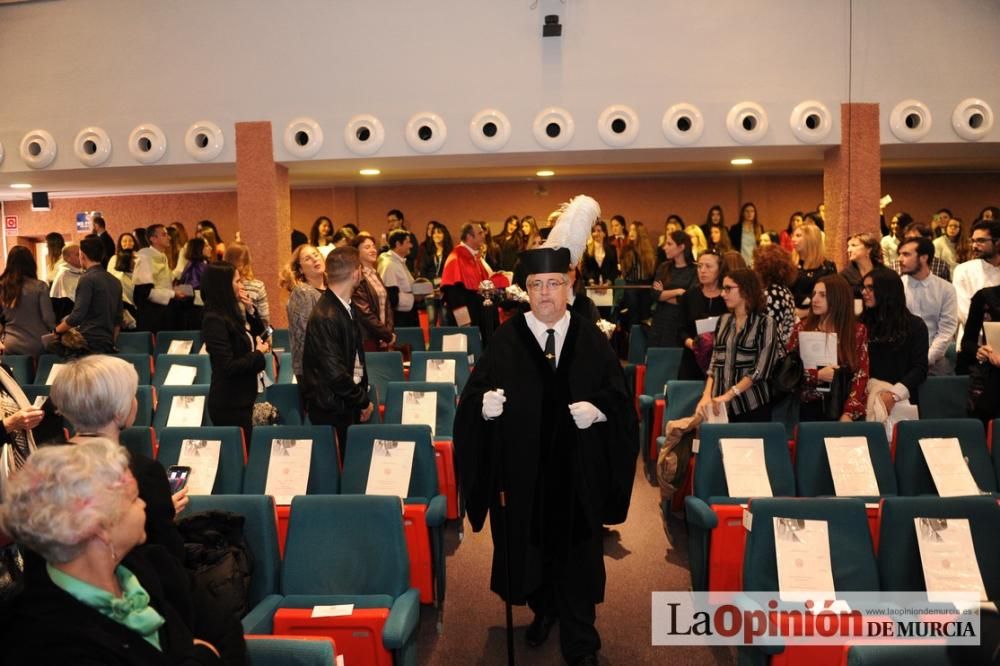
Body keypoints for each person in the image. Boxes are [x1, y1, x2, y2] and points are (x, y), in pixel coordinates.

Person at [454, 206, 637, 666]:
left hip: (577, 474)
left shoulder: (590, 337)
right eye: (536, 285)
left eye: (554, 283)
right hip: (525, 475)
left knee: (577, 557)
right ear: (525, 291)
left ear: (569, 286)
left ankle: (581, 639)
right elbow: (473, 404)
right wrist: (484, 409)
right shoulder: (507, 339)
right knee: (530, 552)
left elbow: (618, 400)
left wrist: (599, 412)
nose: (545, 293)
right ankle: (543, 610)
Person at [0, 439, 226, 665]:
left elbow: (226, 633)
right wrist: (202, 656)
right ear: (101, 527)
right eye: (134, 498)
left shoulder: (148, 566)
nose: (143, 505)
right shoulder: (45, 638)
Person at [49, 355, 185, 558]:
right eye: (131, 395)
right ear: (120, 412)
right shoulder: (142, 471)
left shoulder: (46, 464)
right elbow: (171, 554)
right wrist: (163, 514)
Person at [301, 246, 374, 453]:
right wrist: (362, 401)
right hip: (332, 410)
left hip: (345, 403)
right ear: (356, 273)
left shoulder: (344, 306)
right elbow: (335, 373)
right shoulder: (325, 314)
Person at [695, 269, 779, 422]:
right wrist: (706, 395)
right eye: (723, 288)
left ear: (746, 290)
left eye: (728, 288)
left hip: (751, 405)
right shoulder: (723, 321)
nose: (723, 294)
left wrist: (730, 394)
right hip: (719, 405)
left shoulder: (765, 323)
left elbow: (761, 370)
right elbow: (714, 363)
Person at [787, 275, 870, 422]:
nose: (815, 299)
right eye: (814, 294)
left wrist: (849, 412)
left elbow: (861, 374)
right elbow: (787, 372)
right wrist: (816, 375)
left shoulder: (856, 331)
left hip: (843, 405)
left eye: (822, 295)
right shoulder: (801, 328)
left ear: (838, 298)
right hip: (808, 407)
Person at [201, 262, 269, 437]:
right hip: (229, 403)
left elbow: (262, 335)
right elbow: (228, 366)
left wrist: (250, 311)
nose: (242, 285)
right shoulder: (214, 320)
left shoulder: (231, 314)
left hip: (242, 400)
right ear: (224, 286)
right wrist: (258, 354)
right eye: (237, 281)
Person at [859, 267, 928, 424]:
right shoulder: (860, 324)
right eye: (864, 287)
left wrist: (893, 395)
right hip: (865, 399)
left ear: (886, 291)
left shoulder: (915, 325)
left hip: (903, 401)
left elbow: (920, 368)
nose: (864, 292)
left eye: (871, 288)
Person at [54, 235, 123, 354]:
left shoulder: (87, 279)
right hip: (107, 342)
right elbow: (118, 319)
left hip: (89, 341)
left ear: (82, 256)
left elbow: (77, 315)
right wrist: (111, 342)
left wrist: (56, 331)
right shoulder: (115, 281)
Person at [899, 237, 958, 376]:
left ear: (924, 257)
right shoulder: (897, 286)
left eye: (906, 254)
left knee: (946, 380)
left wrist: (926, 359)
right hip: (902, 357)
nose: (900, 259)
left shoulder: (946, 289)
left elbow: (946, 330)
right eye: (900, 254)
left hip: (935, 358)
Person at [281, 244, 327, 385]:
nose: (314, 259)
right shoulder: (302, 292)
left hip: (331, 365)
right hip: (314, 370)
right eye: (308, 258)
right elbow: (306, 334)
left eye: (315, 254)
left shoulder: (332, 288)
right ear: (300, 269)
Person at [679, 250, 728, 379]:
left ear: (720, 270)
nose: (702, 270)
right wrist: (691, 343)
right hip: (692, 358)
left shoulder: (727, 297)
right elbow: (680, 328)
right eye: (700, 266)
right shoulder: (689, 296)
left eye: (708, 266)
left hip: (721, 359)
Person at [0, 245, 56, 358]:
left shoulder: (2, 286)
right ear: (31, 263)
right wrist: (57, 331)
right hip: (38, 344)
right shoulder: (40, 286)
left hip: (11, 344)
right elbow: (48, 319)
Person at [133, 224, 189, 333]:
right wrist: (173, 294)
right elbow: (145, 292)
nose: (169, 237)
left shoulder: (161, 256)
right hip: (152, 314)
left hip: (164, 310)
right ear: (153, 239)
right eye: (164, 234)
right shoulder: (145, 257)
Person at [648, 230, 697, 347]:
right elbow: (654, 294)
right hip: (661, 320)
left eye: (669, 244)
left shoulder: (694, 270)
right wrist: (678, 292)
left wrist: (663, 294)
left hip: (680, 321)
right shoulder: (664, 267)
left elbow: (688, 299)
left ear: (681, 247)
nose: (665, 247)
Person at [953, 220, 1000, 338]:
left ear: (997, 241)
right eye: (973, 241)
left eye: (981, 241)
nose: (974, 246)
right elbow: (964, 313)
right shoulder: (963, 270)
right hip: (972, 342)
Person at [441, 222, 491, 327]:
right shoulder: (456, 257)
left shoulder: (473, 256)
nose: (484, 235)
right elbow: (452, 293)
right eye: (480, 233)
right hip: (465, 319)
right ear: (469, 236)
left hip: (477, 312)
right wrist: (463, 320)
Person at [352, 233, 396, 351]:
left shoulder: (375, 274)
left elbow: (387, 306)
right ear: (356, 252)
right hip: (368, 337)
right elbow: (365, 313)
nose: (373, 250)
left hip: (382, 337)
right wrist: (386, 335)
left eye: (373, 246)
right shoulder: (357, 277)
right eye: (367, 247)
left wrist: (388, 333)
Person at [753, 243, 797, 349]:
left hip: (770, 357)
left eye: (755, 264)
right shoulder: (781, 290)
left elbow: (769, 335)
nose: (752, 267)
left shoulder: (773, 295)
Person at [378, 228, 422, 328]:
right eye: (408, 242)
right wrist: (414, 297)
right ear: (398, 244)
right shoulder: (389, 264)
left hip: (408, 315)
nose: (411, 246)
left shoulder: (398, 261)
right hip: (400, 319)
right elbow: (391, 298)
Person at [790, 222, 836, 313]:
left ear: (811, 239)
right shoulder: (789, 266)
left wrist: (806, 313)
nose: (793, 239)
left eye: (798, 236)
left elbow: (832, 300)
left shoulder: (827, 268)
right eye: (793, 236)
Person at [618, 220, 657, 328]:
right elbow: (625, 271)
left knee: (645, 316)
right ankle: (632, 339)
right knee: (633, 316)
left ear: (640, 232)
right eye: (630, 229)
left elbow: (651, 271)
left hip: (646, 286)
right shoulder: (626, 249)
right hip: (631, 285)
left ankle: (644, 341)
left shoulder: (649, 251)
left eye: (634, 230)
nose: (631, 232)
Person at [223, 243, 270, 328]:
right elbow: (265, 320)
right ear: (248, 261)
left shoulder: (219, 285)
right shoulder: (257, 286)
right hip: (253, 336)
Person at [840, 232, 883, 299]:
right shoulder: (845, 275)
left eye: (853, 245)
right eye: (848, 246)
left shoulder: (883, 272)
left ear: (869, 249)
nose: (848, 250)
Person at [49, 243, 84, 321]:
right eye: (77, 254)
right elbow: (69, 299)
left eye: (82, 254)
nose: (82, 257)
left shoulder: (80, 272)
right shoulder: (64, 275)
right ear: (67, 258)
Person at [580, 220, 619, 287]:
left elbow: (614, 269)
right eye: (594, 231)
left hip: (608, 287)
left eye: (599, 231)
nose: (596, 233)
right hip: (591, 287)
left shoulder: (612, 249)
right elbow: (584, 269)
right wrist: (591, 281)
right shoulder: (586, 248)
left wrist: (608, 282)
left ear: (604, 233)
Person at [109, 232, 138, 319]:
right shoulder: (114, 259)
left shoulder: (139, 257)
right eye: (124, 241)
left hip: (135, 293)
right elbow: (110, 277)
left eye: (130, 241)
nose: (128, 243)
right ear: (120, 244)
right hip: (120, 298)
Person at [385, 209, 419, 273]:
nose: (391, 224)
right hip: (391, 270)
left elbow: (414, 253)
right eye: (389, 221)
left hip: (407, 270)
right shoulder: (387, 237)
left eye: (393, 221)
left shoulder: (409, 235)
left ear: (400, 221)